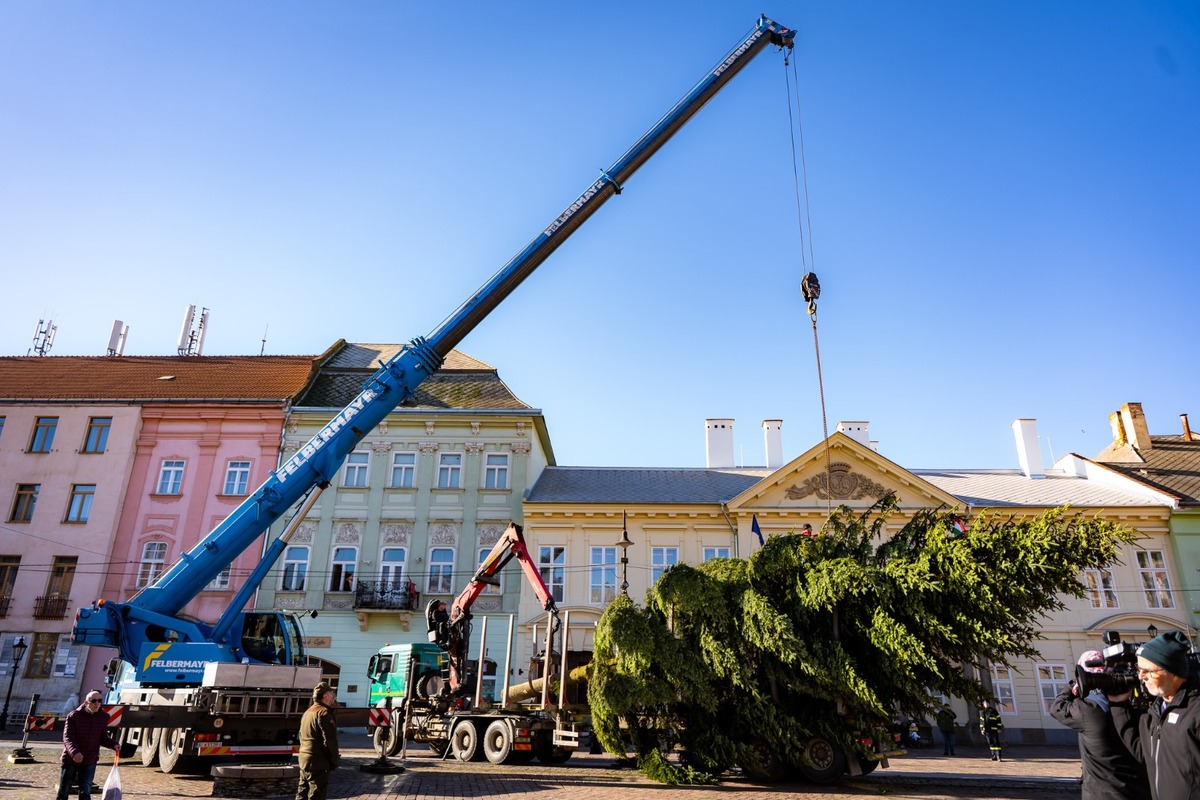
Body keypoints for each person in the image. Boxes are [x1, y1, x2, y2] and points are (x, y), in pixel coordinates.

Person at [1109, 631, 1200, 800]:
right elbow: (1144, 753)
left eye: (1147, 671)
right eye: (1139, 669)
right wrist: (1119, 705)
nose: (1141, 676)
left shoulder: (1195, 710)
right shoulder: (1156, 710)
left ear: (1171, 672)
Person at [1049, 650, 1150, 800]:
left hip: (1101, 793)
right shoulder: (1136, 705)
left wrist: (1072, 686)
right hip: (1139, 790)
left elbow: (1056, 707)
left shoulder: (1085, 709)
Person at [56, 690, 116, 800]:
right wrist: (75, 752)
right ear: (86, 703)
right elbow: (68, 737)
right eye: (93, 701)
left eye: (99, 700)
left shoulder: (103, 717)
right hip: (71, 760)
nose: (96, 703)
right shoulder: (74, 716)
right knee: (64, 790)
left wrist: (114, 745)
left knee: (85, 791)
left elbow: (103, 738)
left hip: (90, 759)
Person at [296, 681, 340, 800]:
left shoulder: (308, 712)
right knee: (316, 795)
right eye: (331, 692)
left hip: (304, 760)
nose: (333, 694)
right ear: (325, 696)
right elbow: (330, 742)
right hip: (318, 762)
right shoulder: (324, 713)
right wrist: (334, 760)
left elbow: (301, 736)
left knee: (302, 794)